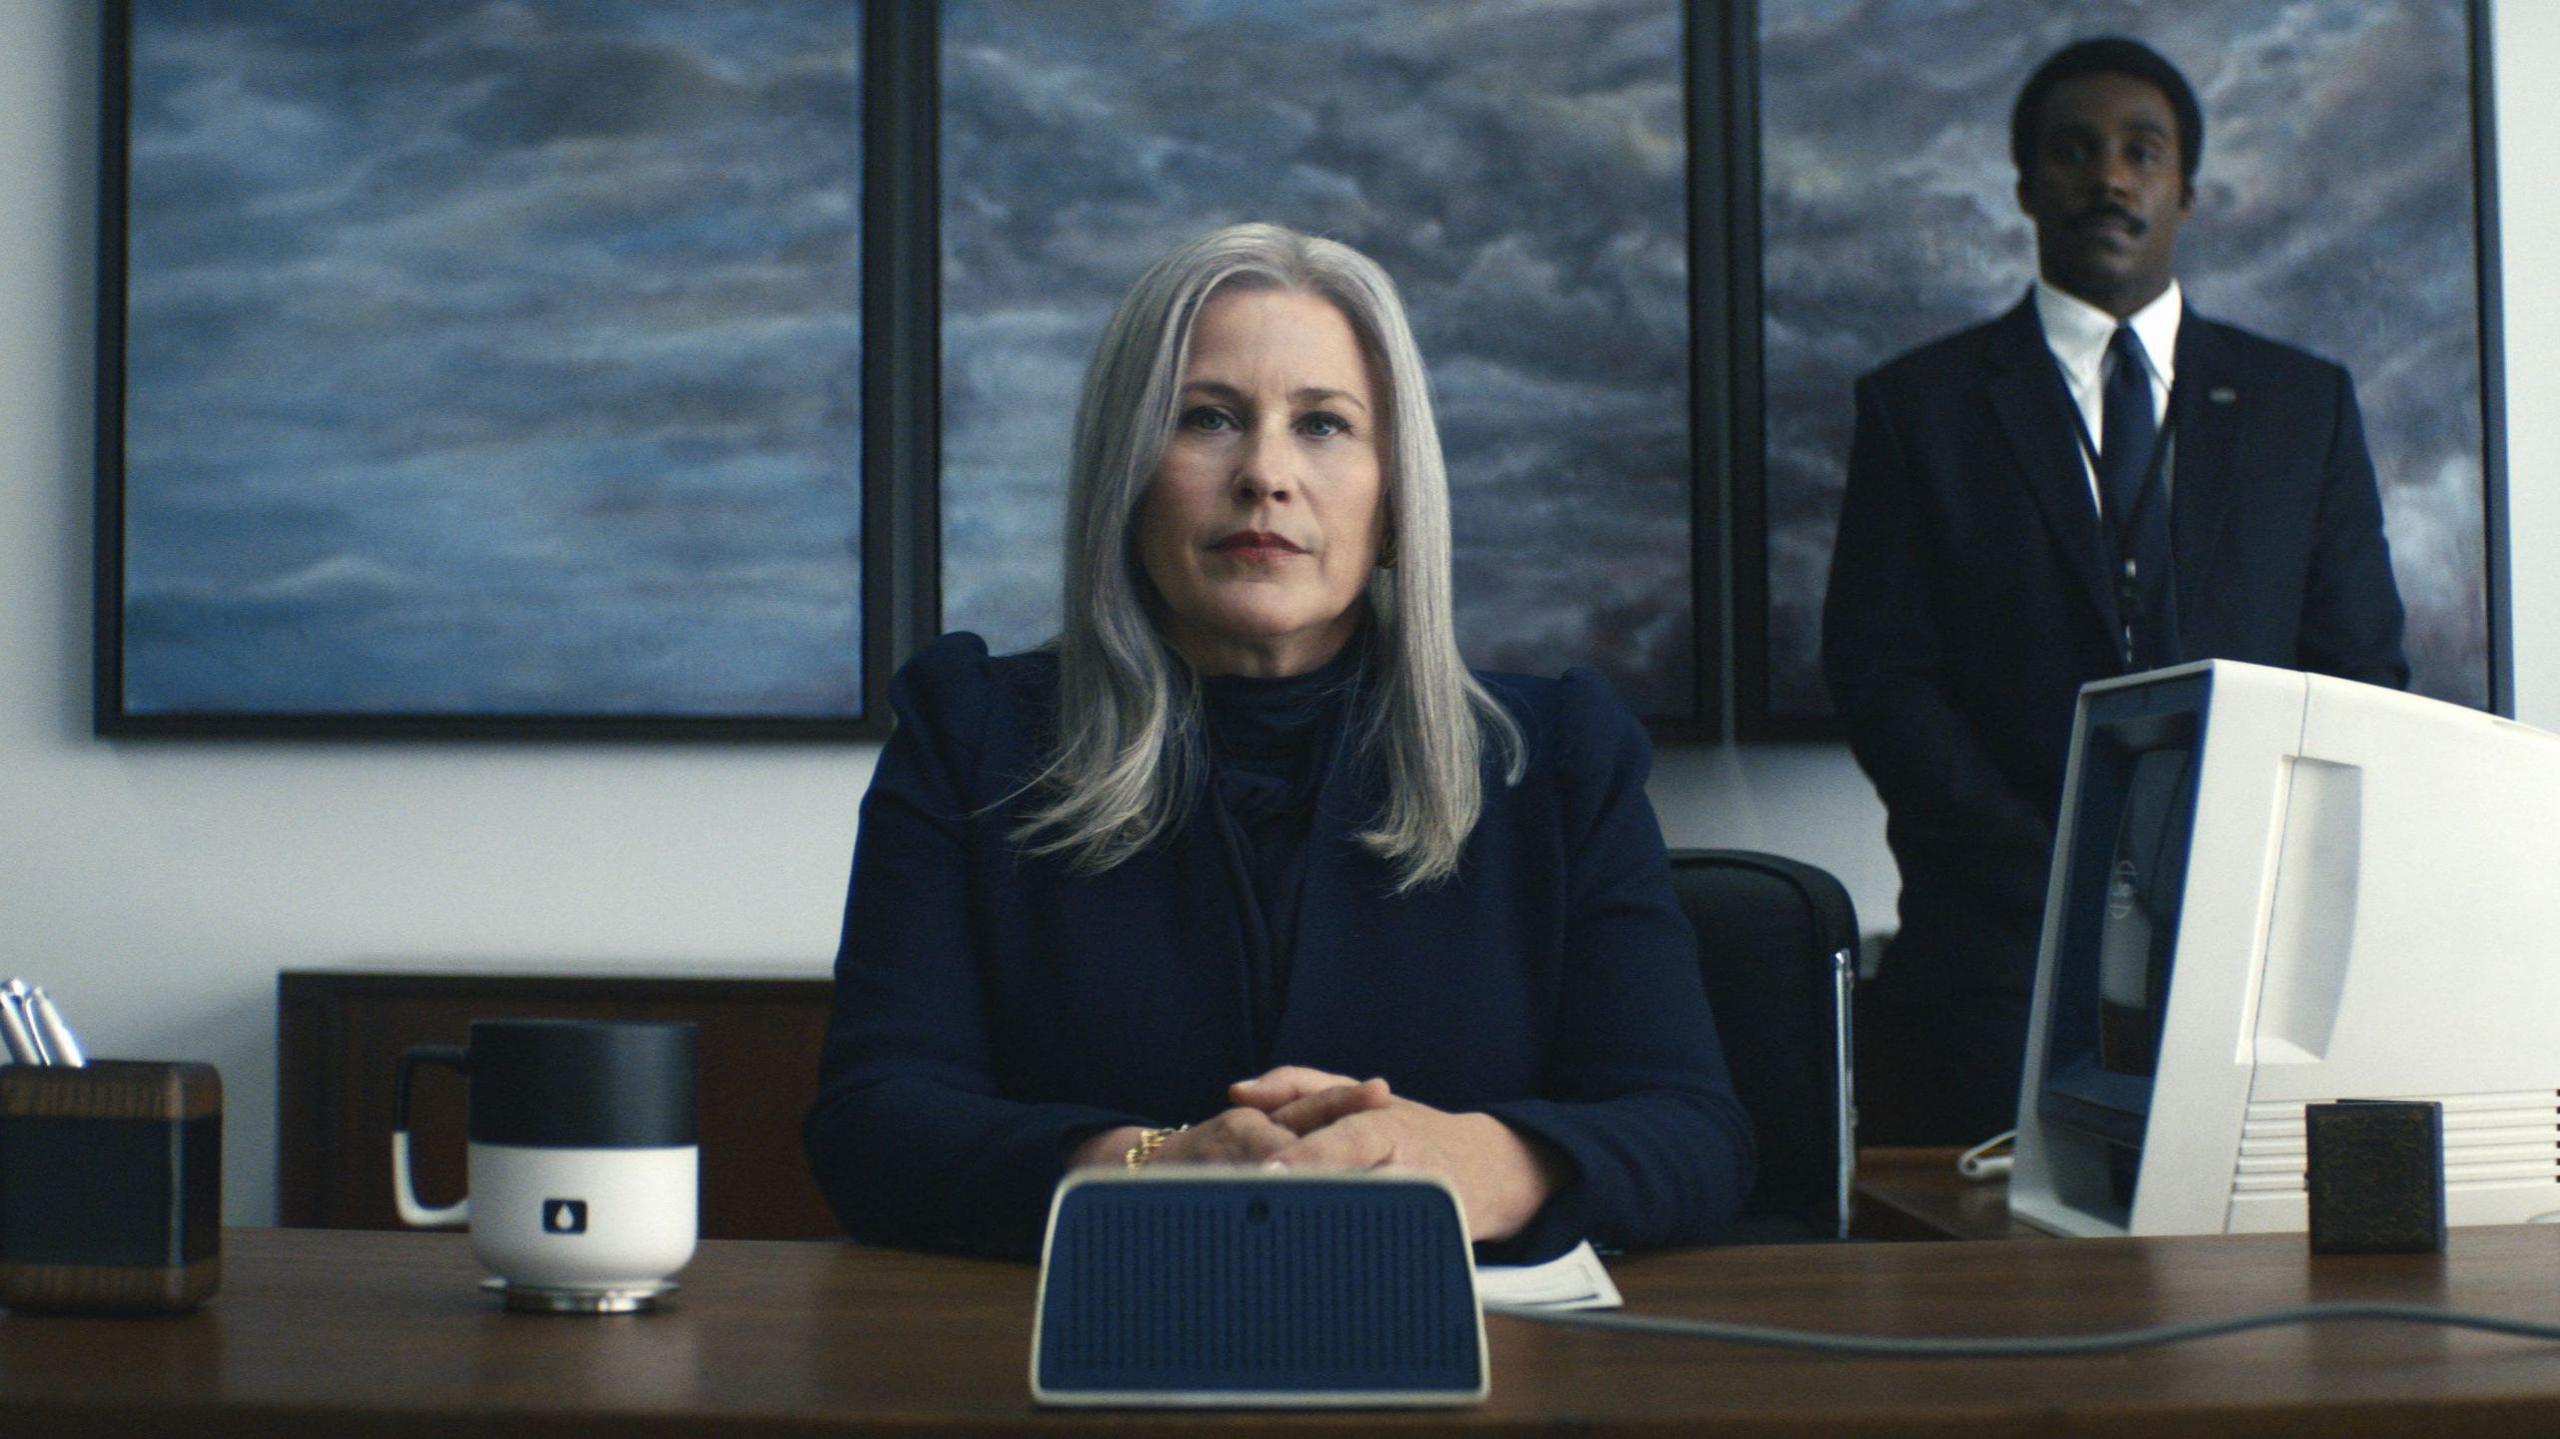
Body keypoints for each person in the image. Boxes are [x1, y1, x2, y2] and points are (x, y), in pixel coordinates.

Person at [804, 222, 1753, 1261]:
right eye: (1208, 418)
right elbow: (872, 1126)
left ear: (1395, 499)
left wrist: (1477, 1163)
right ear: (1126, 474)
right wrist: (1140, 1168)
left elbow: (1695, 1135)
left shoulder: (1558, 758)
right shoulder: (968, 733)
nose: (1265, 474)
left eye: (1323, 426)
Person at [1821, 38, 2408, 1145]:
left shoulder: (2302, 405)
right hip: (1996, 962)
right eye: (2074, 152)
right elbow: (1880, 678)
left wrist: (2242, 862)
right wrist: (2058, 872)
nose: (2108, 178)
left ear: (2185, 187)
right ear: (2025, 186)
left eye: (2141, 151)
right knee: (2000, 1300)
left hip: (2256, 965)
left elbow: (2360, 670)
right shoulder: (1919, 406)